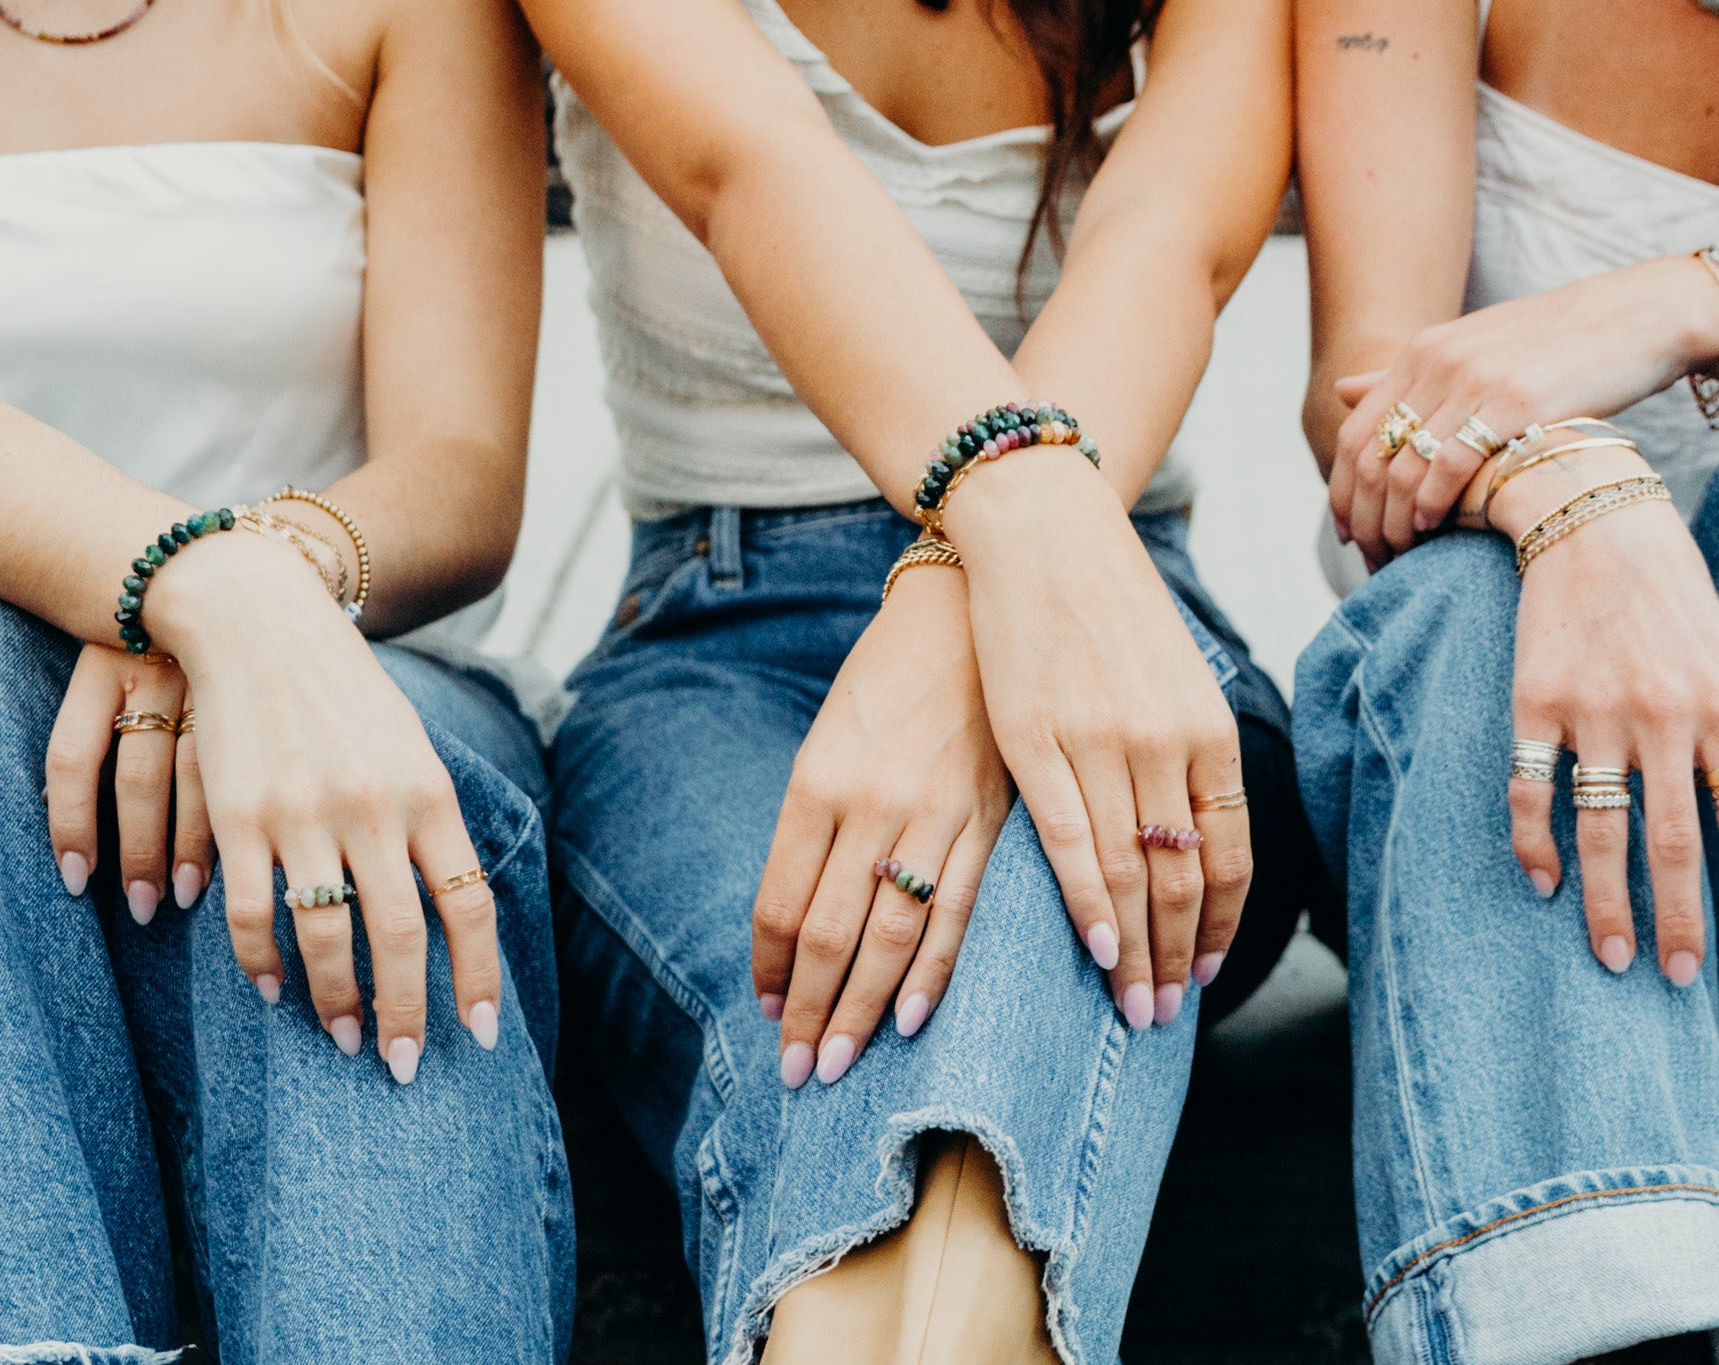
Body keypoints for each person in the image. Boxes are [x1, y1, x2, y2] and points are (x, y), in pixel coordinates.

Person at [524, 0, 1309, 1357]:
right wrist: (993, 544)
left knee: (1022, 921)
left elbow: (1167, 236)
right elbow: (748, 163)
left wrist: (967, 592)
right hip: (722, 638)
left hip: (1114, 609)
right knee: (816, 1006)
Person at [1292, 0, 1719, 1359]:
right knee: (1475, 595)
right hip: (1477, 806)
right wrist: (1584, 497)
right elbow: (1367, 396)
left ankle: (1694, 1283)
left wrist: (1706, 309)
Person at [0, 1, 573, 1360]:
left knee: (328, 776)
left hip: (359, 641)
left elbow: (460, 466)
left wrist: (274, 596)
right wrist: (195, 588)